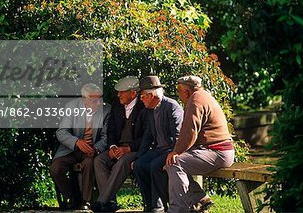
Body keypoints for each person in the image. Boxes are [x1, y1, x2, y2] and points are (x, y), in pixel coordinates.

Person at [165, 76, 234, 213]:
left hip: (218, 152)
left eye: (179, 91)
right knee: (171, 164)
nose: (178, 95)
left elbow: (189, 133)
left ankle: (178, 210)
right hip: (218, 151)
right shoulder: (203, 96)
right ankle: (200, 199)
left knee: (174, 162)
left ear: (187, 92)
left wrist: (176, 152)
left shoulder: (195, 100)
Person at [50, 83, 111, 211]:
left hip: (91, 150)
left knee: (89, 164)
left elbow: (106, 137)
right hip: (71, 148)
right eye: (95, 100)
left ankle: (86, 200)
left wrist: (95, 149)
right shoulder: (71, 107)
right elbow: (61, 132)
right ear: (85, 99)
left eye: (100, 99)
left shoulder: (106, 110)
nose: (99, 103)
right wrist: (77, 142)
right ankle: (73, 196)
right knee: (55, 169)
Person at [92, 76, 148, 212]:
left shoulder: (144, 107)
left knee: (123, 162)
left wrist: (129, 148)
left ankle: (102, 201)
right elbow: (111, 129)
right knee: (99, 160)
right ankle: (110, 202)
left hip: (135, 150)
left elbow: (147, 136)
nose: (118, 95)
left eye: (122, 92)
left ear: (133, 93)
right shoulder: (117, 105)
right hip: (118, 148)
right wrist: (112, 146)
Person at [133, 75, 184, 212]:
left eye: (143, 96)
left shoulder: (172, 106)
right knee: (139, 165)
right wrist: (139, 157)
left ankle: (164, 204)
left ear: (151, 95)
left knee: (155, 166)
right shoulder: (150, 111)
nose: (141, 99)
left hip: (173, 150)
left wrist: (174, 153)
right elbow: (148, 136)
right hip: (159, 149)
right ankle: (150, 205)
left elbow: (178, 134)